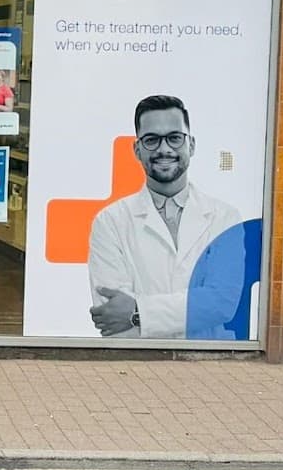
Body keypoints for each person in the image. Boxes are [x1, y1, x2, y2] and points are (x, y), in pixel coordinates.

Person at [87, 95, 246, 339]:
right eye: (151, 140)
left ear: (191, 145)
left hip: (210, 365)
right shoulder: (110, 222)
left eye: (174, 138)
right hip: (138, 366)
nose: (164, 149)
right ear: (137, 149)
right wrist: (193, 307)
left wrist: (138, 312)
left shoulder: (225, 218)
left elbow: (222, 303)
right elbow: (113, 313)